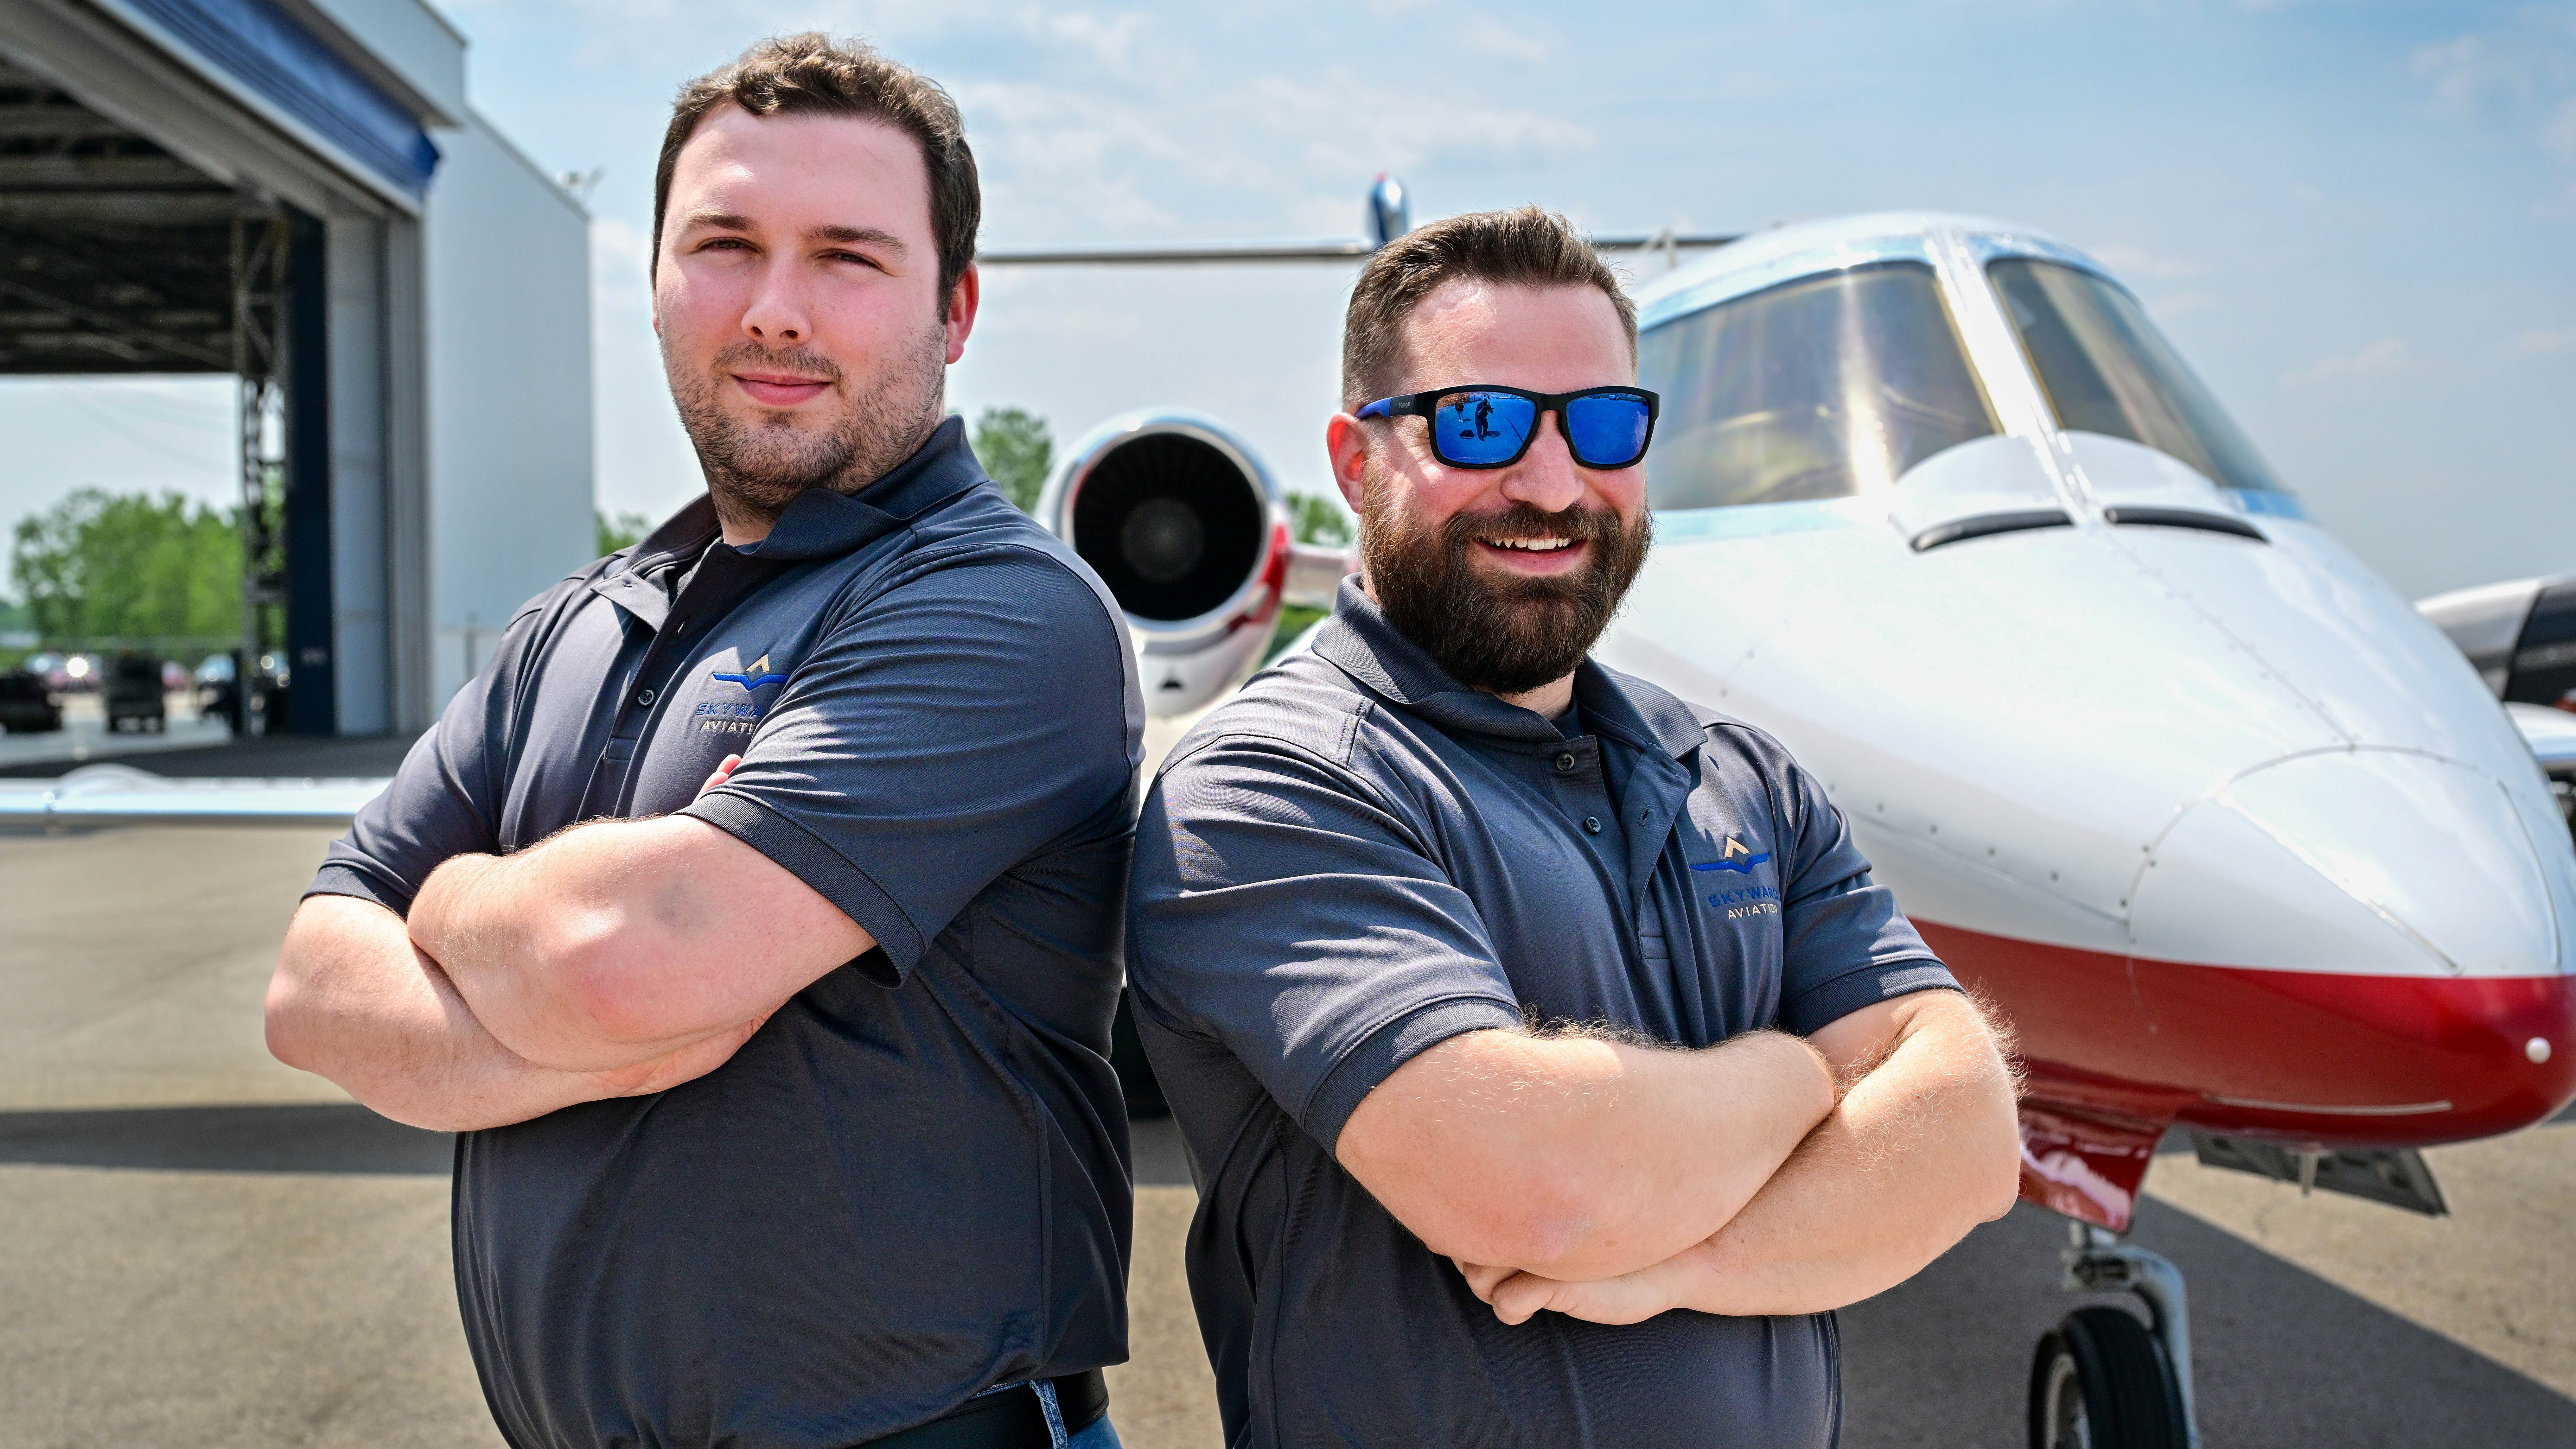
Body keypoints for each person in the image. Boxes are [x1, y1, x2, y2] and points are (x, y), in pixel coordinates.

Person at [265, 34, 1138, 1449]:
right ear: (659, 281)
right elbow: (310, 989)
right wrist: (612, 1013)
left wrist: (461, 903)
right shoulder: (573, 626)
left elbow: (625, 960)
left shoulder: (1002, 610)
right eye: (725, 246)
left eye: (848, 258)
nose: (776, 312)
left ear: (956, 307)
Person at [1123, 207, 2023, 1447]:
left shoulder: (1740, 775)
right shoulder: (1271, 782)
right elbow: (1532, 1191)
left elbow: (1968, 1139)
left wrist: (1674, 1267)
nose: (1551, 485)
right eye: (1477, 422)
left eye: (1600, 425)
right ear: (1352, 460)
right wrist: (1804, 1076)